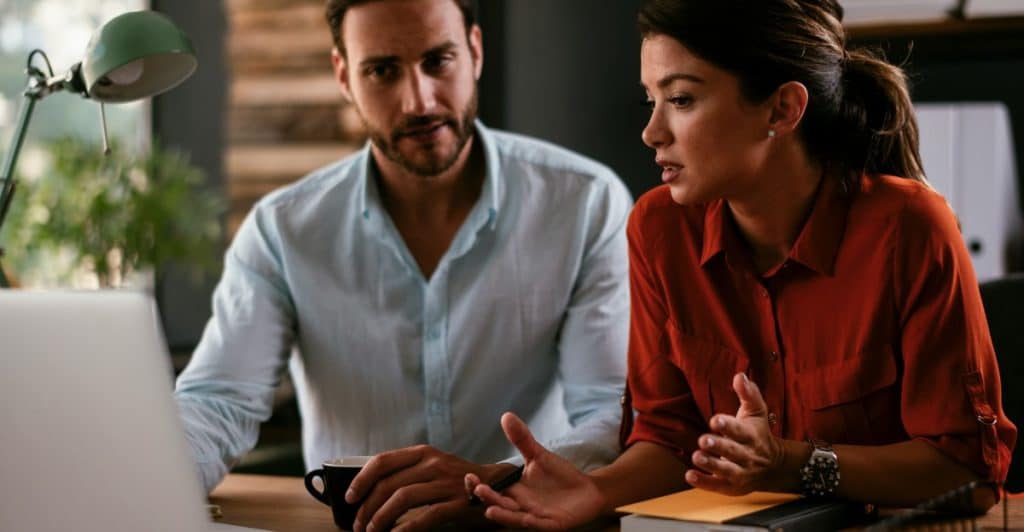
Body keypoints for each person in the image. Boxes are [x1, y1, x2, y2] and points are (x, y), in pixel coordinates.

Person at [466, 0, 1017, 528]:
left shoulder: (910, 227)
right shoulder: (659, 229)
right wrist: (597, 490)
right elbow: (666, 439)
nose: (651, 132)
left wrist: (791, 462)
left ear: (782, 108)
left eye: (680, 100)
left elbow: (967, 474)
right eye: (650, 101)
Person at [173, 0, 632, 530]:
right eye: (383, 71)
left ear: (475, 52)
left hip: (519, 526)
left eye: (438, 61)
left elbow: (610, 413)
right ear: (344, 76)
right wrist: (135, 479)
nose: (418, 102)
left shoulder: (584, 204)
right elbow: (218, 403)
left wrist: (488, 483)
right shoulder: (284, 231)